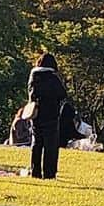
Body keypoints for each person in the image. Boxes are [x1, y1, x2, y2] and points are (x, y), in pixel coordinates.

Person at [26, 52, 69, 180]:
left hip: (36, 114)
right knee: (51, 145)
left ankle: (35, 171)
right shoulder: (52, 77)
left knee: (36, 143)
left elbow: (31, 93)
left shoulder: (33, 76)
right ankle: (49, 173)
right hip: (50, 115)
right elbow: (62, 94)